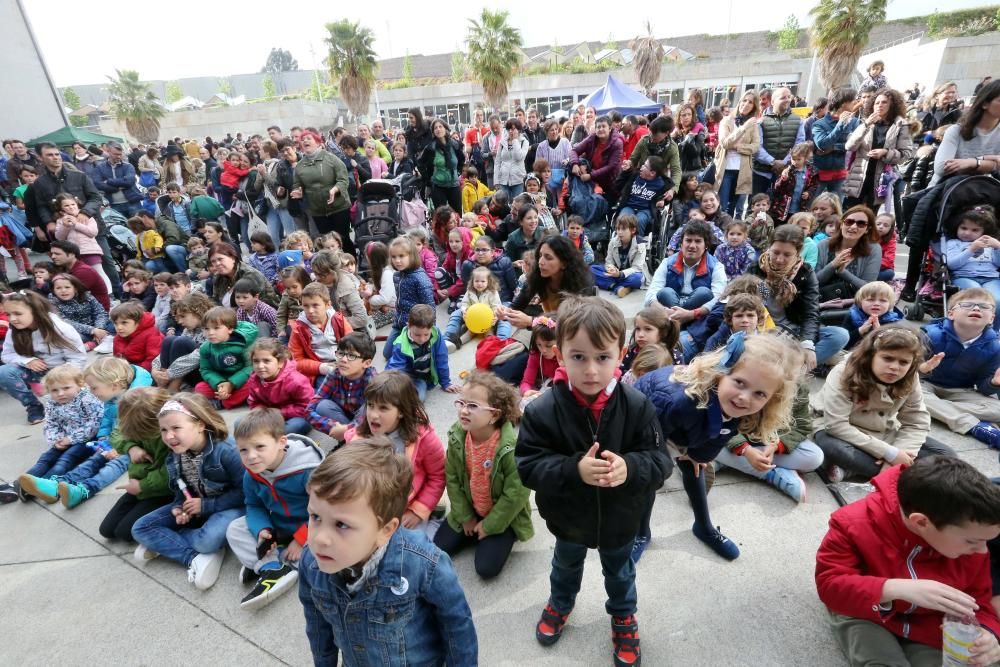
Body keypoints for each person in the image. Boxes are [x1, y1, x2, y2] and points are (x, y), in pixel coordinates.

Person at [516, 295, 670, 665]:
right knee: (565, 564)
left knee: (620, 572)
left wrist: (630, 468)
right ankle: (561, 603)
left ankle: (623, 616)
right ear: (560, 352)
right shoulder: (543, 410)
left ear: (621, 353)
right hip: (569, 517)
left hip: (620, 519)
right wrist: (574, 470)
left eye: (602, 357)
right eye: (578, 356)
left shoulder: (637, 406)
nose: (590, 370)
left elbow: (660, 461)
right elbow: (528, 465)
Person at [299, 436, 478, 667]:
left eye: (341, 524)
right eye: (315, 517)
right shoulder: (311, 563)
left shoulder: (422, 562)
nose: (320, 538)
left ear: (385, 530)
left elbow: (456, 623)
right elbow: (316, 624)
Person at [815, 457, 1000, 666]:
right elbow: (830, 585)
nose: (983, 550)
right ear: (921, 522)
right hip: (867, 612)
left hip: (930, 624)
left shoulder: (971, 543)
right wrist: (892, 588)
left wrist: (989, 632)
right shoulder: (853, 523)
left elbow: (979, 602)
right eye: (972, 541)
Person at [638, 332, 801, 562]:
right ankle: (641, 532)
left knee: (695, 467)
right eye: (740, 383)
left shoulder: (735, 405)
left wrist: (697, 455)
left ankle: (703, 526)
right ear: (721, 373)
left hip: (689, 423)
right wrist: (657, 466)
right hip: (647, 424)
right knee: (649, 479)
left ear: (771, 398)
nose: (745, 398)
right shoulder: (679, 401)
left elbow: (721, 432)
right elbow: (648, 439)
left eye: (759, 393)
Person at [130, 394, 246, 590]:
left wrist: (207, 505)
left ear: (200, 425)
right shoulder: (175, 456)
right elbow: (180, 490)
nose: (168, 436)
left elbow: (247, 492)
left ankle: (172, 543)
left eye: (176, 428)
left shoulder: (226, 450)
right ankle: (193, 557)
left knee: (207, 541)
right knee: (141, 528)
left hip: (231, 507)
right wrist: (178, 507)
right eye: (164, 430)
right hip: (197, 505)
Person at [815, 326, 955, 482]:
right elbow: (836, 425)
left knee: (947, 457)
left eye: (904, 362)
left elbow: (916, 423)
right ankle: (901, 473)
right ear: (871, 356)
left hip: (882, 430)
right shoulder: (844, 372)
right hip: (838, 430)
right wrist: (890, 454)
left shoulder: (910, 376)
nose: (895, 367)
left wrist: (903, 452)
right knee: (835, 449)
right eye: (887, 358)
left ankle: (858, 470)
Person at [435, 370, 532, 579]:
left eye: (472, 406)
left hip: (502, 514)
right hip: (472, 507)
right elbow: (451, 479)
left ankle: (497, 533)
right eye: (461, 403)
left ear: (494, 415)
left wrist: (489, 526)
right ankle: (473, 530)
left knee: (486, 569)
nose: (463, 411)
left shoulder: (510, 448)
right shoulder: (457, 438)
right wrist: (466, 517)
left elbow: (516, 495)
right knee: (438, 548)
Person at [227, 408, 323, 610]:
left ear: (281, 442)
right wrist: (262, 530)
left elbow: (326, 512)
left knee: (325, 559)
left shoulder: (309, 471)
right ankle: (272, 567)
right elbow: (253, 505)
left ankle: (271, 563)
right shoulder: (252, 473)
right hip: (279, 526)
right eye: (243, 450)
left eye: (260, 447)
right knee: (236, 528)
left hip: (313, 526)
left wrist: (300, 539)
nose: (251, 456)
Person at [343, 371, 447, 531]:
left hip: (407, 508)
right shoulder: (358, 439)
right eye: (370, 405)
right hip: (372, 508)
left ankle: (432, 518)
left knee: (411, 548)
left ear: (402, 411)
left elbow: (438, 476)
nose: (373, 415)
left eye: (383, 408)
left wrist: (419, 511)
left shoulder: (424, 439)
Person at [494, 235, 596, 383]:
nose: (541, 262)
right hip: (546, 336)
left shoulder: (582, 284)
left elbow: (571, 324)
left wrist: (531, 322)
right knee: (501, 372)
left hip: (573, 337)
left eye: (548, 257)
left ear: (564, 263)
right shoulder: (539, 276)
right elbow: (518, 304)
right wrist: (506, 312)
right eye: (540, 255)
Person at [747, 224, 850, 369]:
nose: (779, 259)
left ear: (798, 252)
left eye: (787, 255)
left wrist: (808, 343)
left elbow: (811, 312)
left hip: (794, 327)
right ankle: (795, 367)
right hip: (764, 326)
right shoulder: (756, 268)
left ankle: (794, 368)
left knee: (839, 335)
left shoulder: (805, 273)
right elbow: (748, 301)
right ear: (769, 247)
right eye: (775, 252)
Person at [920, 288, 1000, 449]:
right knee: (910, 393)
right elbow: (905, 372)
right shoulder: (930, 334)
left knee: (997, 408)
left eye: (984, 307)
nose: (976, 308)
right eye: (967, 305)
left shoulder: (995, 347)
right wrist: (922, 368)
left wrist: (993, 382)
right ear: (951, 314)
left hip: (961, 391)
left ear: (991, 318)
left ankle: (938, 408)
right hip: (925, 384)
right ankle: (975, 426)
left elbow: (983, 388)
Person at [14, 364, 105, 502]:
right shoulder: (52, 403)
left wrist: (71, 439)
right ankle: (25, 483)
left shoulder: (87, 398)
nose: (60, 393)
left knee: (65, 459)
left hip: (87, 439)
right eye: (55, 390)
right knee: (46, 457)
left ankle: (47, 486)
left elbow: (94, 424)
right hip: (63, 439)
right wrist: (56, 439)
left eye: (66, 388)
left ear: (79, 384)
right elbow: (51, 423)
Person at [99, 387, 174, 542]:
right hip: (139, 484)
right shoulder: (134, 419)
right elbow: (116, 434)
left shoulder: (171, 436)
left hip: (163, 491)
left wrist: (142, 486)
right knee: (107, 530)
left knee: (125, 532)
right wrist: (131, 447)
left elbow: (172, 472)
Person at [0, 290, 87, 424]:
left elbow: (77, 358)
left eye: (18, 313)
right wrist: (27, 361)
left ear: (35, 311)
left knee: (70, 408)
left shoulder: (59, 328)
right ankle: (33, 406)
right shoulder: (14, 329)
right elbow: (6, 354)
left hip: (63, 370)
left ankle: (59, 395)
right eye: (8, 314)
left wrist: (61, 378)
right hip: (36, 371)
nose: (12, 319)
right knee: (4, 372)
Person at [843, 88, 914, 211]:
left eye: (884, 102)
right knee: (849, 213)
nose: (880, 105)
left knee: (871, 215)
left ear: (892, 104)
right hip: (858, 176)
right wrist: (866, 125)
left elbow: (906, 154)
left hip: (881, 178)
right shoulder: (866, 123)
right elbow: (849, 146)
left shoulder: (901, 125)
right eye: (877, 102)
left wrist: (886, 152)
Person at [645, 221, 727, 317]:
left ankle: (678, 324)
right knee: (665, 293)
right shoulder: (667, 263)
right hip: (669, 310)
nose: (692, 246)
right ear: (681, 243)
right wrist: (664, 312)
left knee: (704, 293)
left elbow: (718, 298)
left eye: (698, 241)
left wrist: (690, 314)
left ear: (706, 245)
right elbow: (651, 293)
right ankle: (678, 322)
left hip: (697, 314)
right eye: (688, 240)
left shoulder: (716, 266)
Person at [928, 80, 1000, 188]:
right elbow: (942, 167)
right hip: (944, 193)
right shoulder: (956, 131)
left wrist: (974, 162)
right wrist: (988, 159)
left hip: (979, 194)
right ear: (985, 104)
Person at [290, 130, 352, 254]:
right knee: (326, 242)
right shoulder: (300, 166)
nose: (305, 141)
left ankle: (350, 266)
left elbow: (344, 180)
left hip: (339, 207)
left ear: (318, 142)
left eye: (308, 138)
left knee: (342, 239)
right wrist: (298, 192)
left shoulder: (331, 159)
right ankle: (332, 268)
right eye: (303, 140)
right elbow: (297, 185)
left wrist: (335, 189)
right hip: (318, 211)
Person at [306, 331, 376, 442]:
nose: (343, 359)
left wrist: (347, 429)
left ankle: (359, 442)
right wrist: (334, 427)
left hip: (368, 426)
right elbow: (310, 409)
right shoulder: (335, 374)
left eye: (351, 355)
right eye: (341, 353)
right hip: (345, 419)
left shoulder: (373, 381)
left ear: (366, 363)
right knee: (322, 406)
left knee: (368, 408)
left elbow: (374, 417)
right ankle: (348, 439)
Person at [386, 303, 457, 401]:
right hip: (407, 377)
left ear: (432, 327)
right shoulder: (400, 344)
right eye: (417, 335)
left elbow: (442, 358)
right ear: (408, 326)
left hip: (421, 378)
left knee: (419, 398)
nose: (422, 339)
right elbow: (395, 369)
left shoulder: (436, 334)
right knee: (391, 395)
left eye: (426, 334)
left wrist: (445, 382)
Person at [245, 338, 314, 436]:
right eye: (256, 361)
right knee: (241, 424)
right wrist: (259, 410)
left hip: (296, 417)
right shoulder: (254, 379)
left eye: (266, 361)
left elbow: (308, 407)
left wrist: (280, 412)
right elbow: (254, 402)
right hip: (270, 416)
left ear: (280, 362)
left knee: (295, 426)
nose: (260, 366)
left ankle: (272, 438)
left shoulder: (296, 380)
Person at [288, 282, 352, 388]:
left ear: (327, 305)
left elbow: (353, 344)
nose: (310, 311)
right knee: (330, 388)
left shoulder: (338, 320)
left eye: (315, 305)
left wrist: (345, 362)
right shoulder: (298, 329)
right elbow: (296, 361)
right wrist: (322, 367)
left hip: (343, 362)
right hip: (319, 370)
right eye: (306, 306)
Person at [815, 205, 883, 303]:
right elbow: (814, 283)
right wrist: (833, 265)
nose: (853, 226)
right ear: (842, 224)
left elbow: (868, 289)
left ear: (867, 229)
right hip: (820, 301)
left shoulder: (873, 249)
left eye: (861, 224)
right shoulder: (824, 245)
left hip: (852, 304)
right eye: (849, 222)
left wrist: (843, 272)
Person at [195, 306, 258, 409]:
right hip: (221, 382)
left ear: (230, 329)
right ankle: (227, 397)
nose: (210, 333)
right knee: (200, 388)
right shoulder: (205, 348)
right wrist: (219, 383)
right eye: (206, 328)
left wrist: (232, 383)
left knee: (254, 383)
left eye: (216, 328)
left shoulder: (243, 344)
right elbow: (206, 369)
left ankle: (222, 403)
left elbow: (251, 367)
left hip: (241, 381)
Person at [385, 236, 435, 361]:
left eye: (401, 256)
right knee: (388, 353)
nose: (397, 261)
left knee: (409, 357)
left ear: (412, 256)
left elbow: (429, 306)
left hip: (415, 326)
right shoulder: (397, 275)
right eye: (394, 257)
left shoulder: (420, 279)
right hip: (399, 323)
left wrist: (429, 330)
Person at [714, 90, 761, 217]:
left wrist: (739, 148)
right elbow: (725, 143)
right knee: (722, 206)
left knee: (734, 208)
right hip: (726, 169)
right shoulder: (727, 121)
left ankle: (730, 234)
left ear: (754, 106)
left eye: (750, 102)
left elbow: (756, 146)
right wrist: (743, 128)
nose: (746, 104)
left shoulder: (753, 124)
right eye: (744, 100)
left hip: (743, 170)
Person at [752, 87, 805, 195]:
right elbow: (757, 146)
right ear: (773, 101)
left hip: (786, 172)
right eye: (783, 97)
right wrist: (773, 161)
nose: (787, 100)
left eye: (789, 97)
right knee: (757, 205)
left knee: (780, 208)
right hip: (761, 172)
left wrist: (784, 162)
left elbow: (799, 144)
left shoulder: (798, 120)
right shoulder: (761, 121)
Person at [811, 87, 860, 197]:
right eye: (853, 100)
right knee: (813, 205)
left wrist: (835, 147)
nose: (856, 102)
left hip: (841, 172)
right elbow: (823, 144)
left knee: (837, 206)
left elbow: (856, 145)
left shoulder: (855, 122)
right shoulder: (819, 124)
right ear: (843, 103)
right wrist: (840, 124)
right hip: (820, 172)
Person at [204, 242, 278, 309]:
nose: (217, 264)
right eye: (213, 261)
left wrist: (226, 315)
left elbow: (255, 305)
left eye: (220, 259)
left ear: (232, 258)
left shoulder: (250, 275)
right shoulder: (218, 277)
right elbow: (215, 300)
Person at [48, 273, 111, 350]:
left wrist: (99, 328)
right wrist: (91, 330)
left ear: (75, 288)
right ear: (53, 290)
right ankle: (94, 343)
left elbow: (100, 312)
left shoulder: (87, 296)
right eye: (58, 288)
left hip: (96, 327)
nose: (63, 290)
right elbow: (64, 321)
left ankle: (97, 339)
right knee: (66, 338)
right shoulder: (53, 302)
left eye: (67, 287)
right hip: (77, 332)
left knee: (114, 326)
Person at [592, 214, 649, 298]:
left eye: (623, 229)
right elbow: (609, 261)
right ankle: (619, 287)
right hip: (616, 273)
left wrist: (620, 274)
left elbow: (637, 268)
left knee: (637, 278)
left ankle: (611, 284)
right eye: (618, 229)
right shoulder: (613, 241)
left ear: (633, 230)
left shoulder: (640, 244)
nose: (619, 232)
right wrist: (611, 268)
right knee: (592, 269)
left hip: (630, 274)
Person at [569, 115, 623, 202]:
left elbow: (611, 166)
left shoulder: (617, 143)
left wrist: (590, 176)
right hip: (593, 182)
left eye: (603, 126)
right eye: (598, 127)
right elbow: (574, 150)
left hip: (610, 183)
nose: (600, 129)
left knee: (604, 209)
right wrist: (574, 164)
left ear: (610, 128)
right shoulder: (592, 138)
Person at [841, 280, 903, 349]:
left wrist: (880, 332)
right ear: (860, 302)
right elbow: (842, 344)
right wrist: (860, 331)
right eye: (870, 300)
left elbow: (892, 349)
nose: (876, 303)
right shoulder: (852, 316)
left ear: (890, 304)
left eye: (883, 300)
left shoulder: (892, 321)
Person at [769, 143, 819, 222]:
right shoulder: (786, 169)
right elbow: (777, 189)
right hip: (783, 208)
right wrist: (783, 179)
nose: (795, 162)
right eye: (793, 159)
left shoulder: (812, 172)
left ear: (805, 158)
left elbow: (814, 186)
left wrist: (809, 193)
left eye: (798, 159)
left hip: (800, 207)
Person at [93, 141, 141, 218]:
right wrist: (116, 188)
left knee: (139, 227)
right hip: (113, 205)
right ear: (108, 152)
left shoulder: (128, 166)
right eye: (116, 154)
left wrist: (108, 181)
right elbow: (98, 184)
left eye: (120, 154)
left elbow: (129, 181)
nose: (119, 157)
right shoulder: (100, 167)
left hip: (132, 202)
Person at [111, 301, 163, 371]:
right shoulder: (118, 337)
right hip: (128, 369)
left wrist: (133, 372)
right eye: (116, 323)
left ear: (138, 322)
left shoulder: (152, 334)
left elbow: (153, 360)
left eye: (124, 322)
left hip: (147, 370)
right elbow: (117, 358)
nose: (119, 327)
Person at [493, 118, 529, 199]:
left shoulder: (524, 142)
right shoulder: (502, 142)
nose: (510, 131)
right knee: (504, 206)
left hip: (518, 180)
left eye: (513, 129)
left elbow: (519, 157)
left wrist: (515, 140)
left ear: (519, 130)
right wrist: (496, 181)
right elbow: (497, 162)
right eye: (508, 129)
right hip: (503, 180)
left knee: (517, 205)